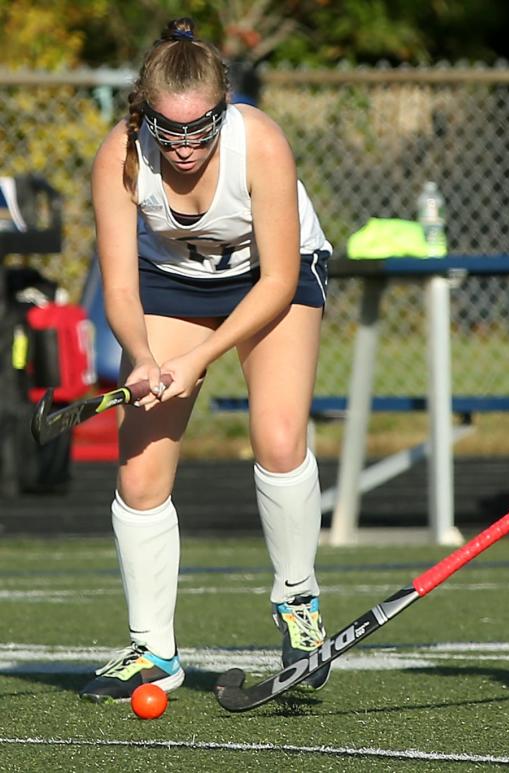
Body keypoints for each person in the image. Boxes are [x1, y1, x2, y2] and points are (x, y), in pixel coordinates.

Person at [78, 18, 333, 701]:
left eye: (202, 127)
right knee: (138, 469)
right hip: (168, 282)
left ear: (224, 107)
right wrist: (142, 356)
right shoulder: (121, 153)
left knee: (278, 436)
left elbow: (279, 280)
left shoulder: (263, 143)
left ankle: (298, 602)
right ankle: (152, 649)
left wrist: (197, 358)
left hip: (269, 275)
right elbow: (121, 285)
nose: (186, 145)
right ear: (145, 112)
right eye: (171, 129)